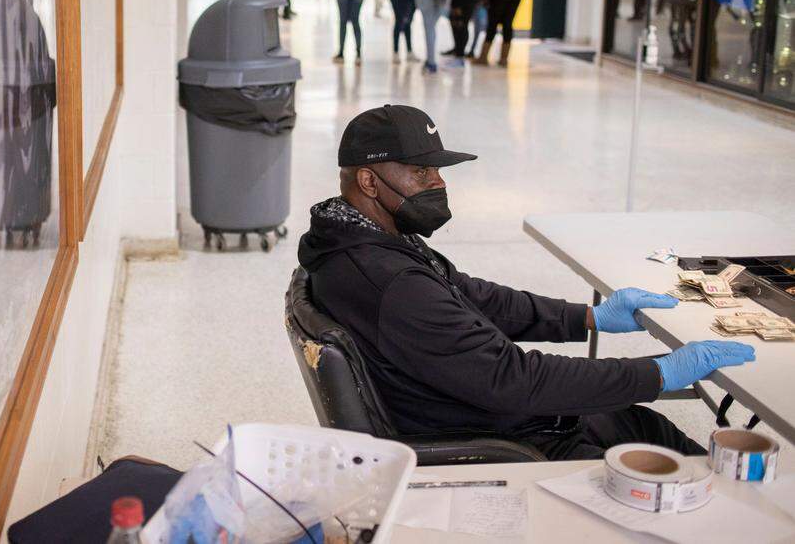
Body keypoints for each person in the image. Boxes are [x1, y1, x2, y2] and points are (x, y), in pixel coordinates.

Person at [298, 104, 757, 461]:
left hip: (477, 408)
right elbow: (514, 379)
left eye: (438, 170)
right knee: (679, 478)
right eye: (420, 172)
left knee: (646, 428)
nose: (438, 183)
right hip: (494, 437)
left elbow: (470, 295)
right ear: (368, 181)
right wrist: (658, 372)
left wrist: (587, 317)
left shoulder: (363, 239)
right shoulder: (391, 282)